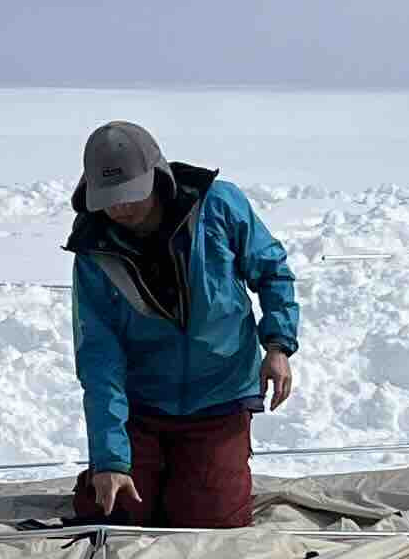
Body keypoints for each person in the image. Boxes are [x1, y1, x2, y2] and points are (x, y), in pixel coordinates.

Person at [67, 121, 302, 530]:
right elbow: (99, 358)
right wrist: (109, 459)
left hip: (221, 395)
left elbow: (272, 272)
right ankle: (131, 470)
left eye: (130, 195)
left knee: (208, 523)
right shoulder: (94, 252)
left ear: (157, 176)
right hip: (142, 405)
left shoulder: (220, 206)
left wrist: (278, 346)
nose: (120, 208)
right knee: (118, 513)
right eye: (109, 199)